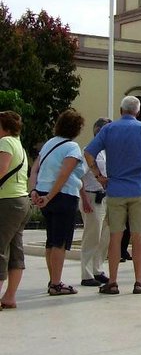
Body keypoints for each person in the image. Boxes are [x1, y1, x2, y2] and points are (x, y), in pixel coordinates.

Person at [84, 96, 141, 296]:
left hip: (116, 189)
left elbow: (89, 152)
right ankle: (138, 281)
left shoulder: (109, 129)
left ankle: (112, 282)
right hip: (139, 189)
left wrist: (98, 175)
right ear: (136, 111)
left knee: (115, 237)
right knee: (137, 237)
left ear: (121, 110)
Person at [29, 109, 86, 296]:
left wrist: (34, 191)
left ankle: (52, 279)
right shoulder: (72, 147)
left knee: (51, 240)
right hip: (63, 195)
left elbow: (35, 169)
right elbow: (64, 174)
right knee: (60, 242)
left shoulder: (48, 145)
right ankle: (56, 283)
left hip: (44, 192)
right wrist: (50, 195)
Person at [0, 111, 31, 309]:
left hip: (7, 201)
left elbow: (1, 170)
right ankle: (10, 296)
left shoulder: (4, 143)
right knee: (16, 250)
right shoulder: (18, 144)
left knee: (0, 249)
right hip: (22, 200)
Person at [79, 117, 111, 287]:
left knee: (104, 236)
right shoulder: (89, 151)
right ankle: (86, 274)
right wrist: (84, 199)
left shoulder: (106, 151)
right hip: (91, 196)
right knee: (92, 236)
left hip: (105, 197)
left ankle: (98, 269)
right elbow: (79, 176)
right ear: (97, 130)